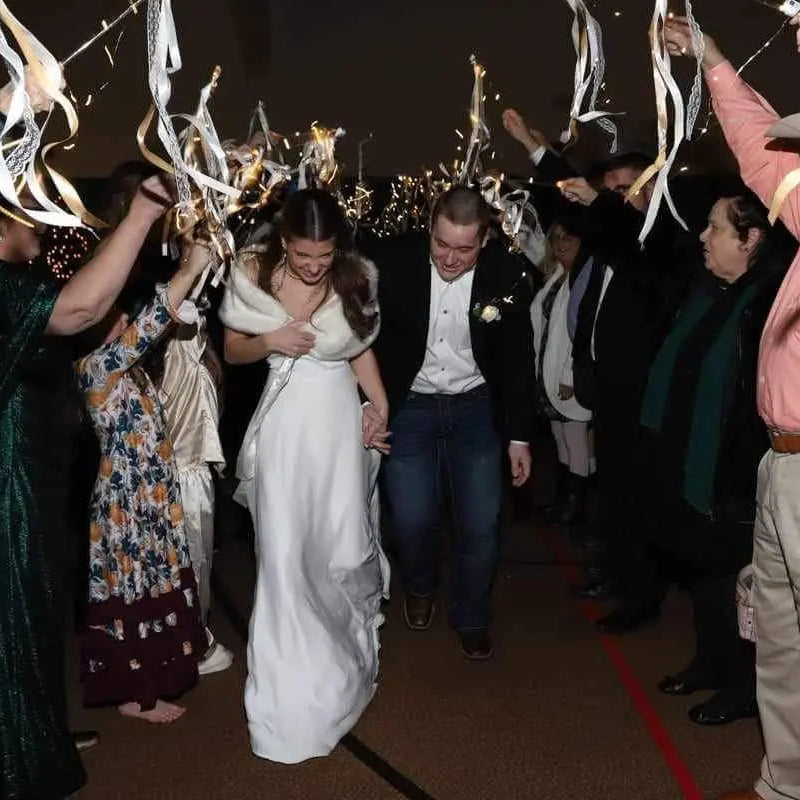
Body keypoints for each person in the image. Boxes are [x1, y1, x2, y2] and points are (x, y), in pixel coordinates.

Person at [0, 164, 173, 796]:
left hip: (38, 477)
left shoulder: (20, 279)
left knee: (39, 615)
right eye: (30, 205)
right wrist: (145, 209)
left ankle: (34, 732)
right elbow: (81, 308)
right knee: (17, 616)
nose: (43, 218)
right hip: (10, 485)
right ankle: (21, 759)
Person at [666, 13, 800, 800]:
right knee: (780, 646)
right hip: (781, 463)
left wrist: (714, 63)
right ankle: (784, 785)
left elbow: (762, 154)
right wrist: (714, 57)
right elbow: (767, 154)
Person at [220, 188, 390, 764]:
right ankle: (285, 702)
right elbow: (233, 350)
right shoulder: (254, 272)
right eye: (302, 255)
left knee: (336, 547)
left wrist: (379, 407)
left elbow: (359, 349)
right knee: (284, 555)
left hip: (337, 426)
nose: (314, 266)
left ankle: (341, 674)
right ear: (283, 242)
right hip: (285, 428)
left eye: (324, 255)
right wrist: (272, 339)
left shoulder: (352, 277)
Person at [641, 188, 787, 726]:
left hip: (740, 470)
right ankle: (709, 662)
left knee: (742, 584)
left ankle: (743, 686)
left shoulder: (769, 302)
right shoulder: (711, 290)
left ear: (751, 239)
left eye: (717, 228)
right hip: (694, 460)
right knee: (706, 570)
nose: (703, 236)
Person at [370, 186, 535, 660]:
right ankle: (420, 584)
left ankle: (472, 615)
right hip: (410, 405)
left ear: (485, 239)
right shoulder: (392, 262)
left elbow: (517, 358)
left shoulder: (506, 272)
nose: (449, 258)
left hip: (475, 407)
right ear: (429, 227)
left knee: (482, 521)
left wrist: (519, 436)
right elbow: (363, 338)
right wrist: (368, 403)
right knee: (411, 519)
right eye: (441, 244)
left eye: (464, 249)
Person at [76, 237, 214, 723]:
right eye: (112, 319)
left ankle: (146, 688)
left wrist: (194, 271)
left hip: (150, 502)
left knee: (153, 590)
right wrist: (186, 271)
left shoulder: (130, 374)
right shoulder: (96, 370)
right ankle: (133, 696)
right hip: (125, 507)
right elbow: (150, 326)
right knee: (130, 595)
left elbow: (158, 325)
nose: (123, 322)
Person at [158, 308, 233, 675]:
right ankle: (190, 647)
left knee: (197, 562)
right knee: (189, 564)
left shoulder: (201, 351)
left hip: (195, 475)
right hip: (180, 476)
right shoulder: (178, 348)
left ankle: (188, 640)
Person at [531, 216, 592, 526]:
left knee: (576, 440)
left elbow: (582, 333)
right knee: (560, 438)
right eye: (557, 238)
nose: (561, 243)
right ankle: (563, 500)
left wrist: (570, 375)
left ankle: (577, 509)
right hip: (548, 370)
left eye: (569, 237)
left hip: (570, 373)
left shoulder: (585, 278)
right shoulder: (555, 275)